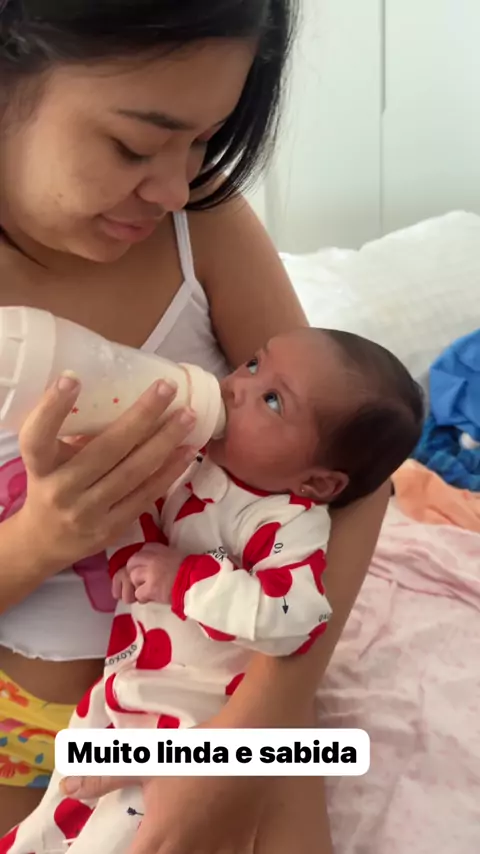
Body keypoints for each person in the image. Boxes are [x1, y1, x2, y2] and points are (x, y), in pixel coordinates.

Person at [0, 1, 390, 851]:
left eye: (205, 141)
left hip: (226, 697)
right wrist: (37, 543)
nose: (174, 186)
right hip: (21, 723)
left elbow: (357, 480)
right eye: (135, 145)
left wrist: (247, 744)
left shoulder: (198, 225)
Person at [1, 329, 423, 853]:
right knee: (52, 823)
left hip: (194, 724)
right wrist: (129, 544)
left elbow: (293, 617)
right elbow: (147, 518)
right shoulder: (198, 465)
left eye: (273, 400)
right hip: (123, 696)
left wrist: (183, 578)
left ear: (316, 484)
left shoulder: (286, 522)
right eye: (252, 364)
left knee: (120, 835)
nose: (235, 387)